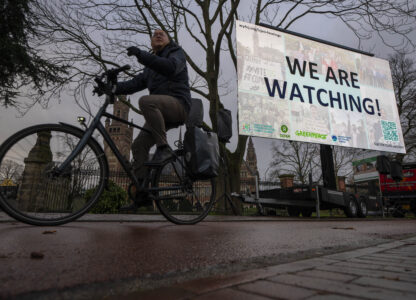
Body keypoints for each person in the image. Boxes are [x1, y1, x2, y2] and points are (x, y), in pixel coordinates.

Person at [100, 29, 191, 210]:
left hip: (178, 106)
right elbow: (135, 84)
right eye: (154, 34)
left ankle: (163, 148)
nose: (158, 35)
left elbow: (170, 67)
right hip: (158, 111)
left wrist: (141, 55)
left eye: (162, 34)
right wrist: (112, 88)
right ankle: (142, 195)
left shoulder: (176, 53)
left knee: (145, 101)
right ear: (151, 42)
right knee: (138, 146)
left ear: (168, 40)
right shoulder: (150, 67)